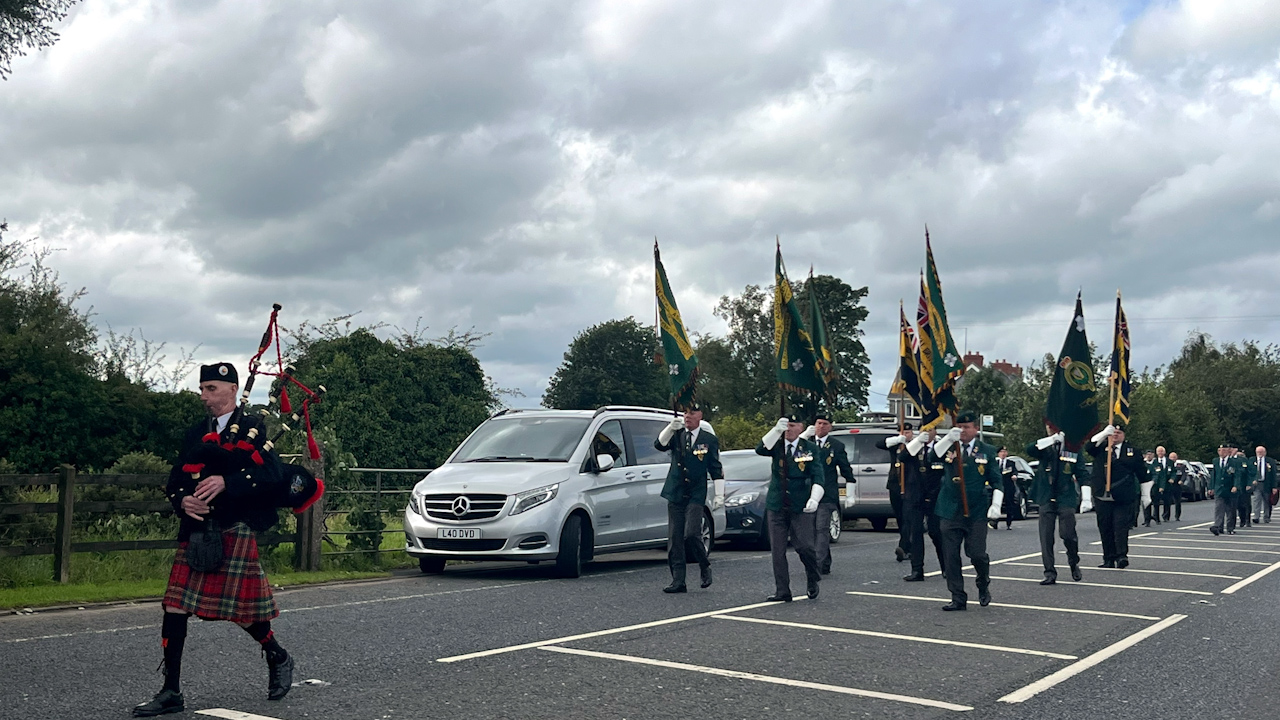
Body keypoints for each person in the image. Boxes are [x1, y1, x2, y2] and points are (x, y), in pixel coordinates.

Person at [133, 364, 294, 717]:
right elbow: (177, 477)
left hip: (234, 526)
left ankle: (276, 653)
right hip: (196, 528)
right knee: (175, 605)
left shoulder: (255, 427)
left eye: (211, 388)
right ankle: (171, 690)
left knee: (242, 613)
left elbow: (271, 474)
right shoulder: (195, 432)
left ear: (233, 389)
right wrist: (183, 500)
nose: (204, 396)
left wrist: (227, 482)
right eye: (202, 389)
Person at [931, 411, 1002, 611]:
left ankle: (983, 581)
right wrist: (947, 439)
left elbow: (997, 480)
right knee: (951, 556)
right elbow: (931, 457)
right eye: (960, 427)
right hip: (950, 509)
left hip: (976, 510)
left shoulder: (986, 450)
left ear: (976, 429)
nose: (962, 430)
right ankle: (958, 597)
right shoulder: (948, 447)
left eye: (967, 427)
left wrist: (995, 504)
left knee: (977, 553)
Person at [755, 413, 825, 601]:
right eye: (787, 425)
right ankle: (782, 590)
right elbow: (760, 449)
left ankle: (812, 576)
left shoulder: (809, 448)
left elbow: (818, 474)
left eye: (793, 425)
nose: (789, 429)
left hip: (800, 504)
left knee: (805, 547)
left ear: (801, 428)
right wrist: (776, 429)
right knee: (777, 550)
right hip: (777, 503)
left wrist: (815, 498)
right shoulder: (776, 445)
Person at [654, 403, 723, 593]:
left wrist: (719, 494)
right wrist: (670, 428)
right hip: (676, 491)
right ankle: (678, 580)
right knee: (675, 538)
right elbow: (659, 445)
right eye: (685, 413)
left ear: (700, 415)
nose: (687, 416)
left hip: (695, 492)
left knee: (692, 533)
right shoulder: (678, 435)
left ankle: (704, 564)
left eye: (692, 413)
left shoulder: (708, 439)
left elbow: (715, 467)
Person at [1086, 424, 1146, 569]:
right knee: (1105, 526)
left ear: (1124, 435)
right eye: (1113, 433)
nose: (1115, 435)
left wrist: (1146, 494)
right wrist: (1103, 434)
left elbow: (1142, 474)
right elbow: (1089, 447)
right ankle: (1108, 558)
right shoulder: (1101, 448)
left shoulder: (1132, 451)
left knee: (1120, 526)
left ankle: (1121, 556)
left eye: (1118, 433)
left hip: (1123, 495)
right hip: (1102, 495)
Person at [1026, 430, 1082, 584]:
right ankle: (1049, 572)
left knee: (1068, 534)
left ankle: (1073, 560)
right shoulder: (1045, 446)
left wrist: (1086, 496)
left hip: (1065, 496)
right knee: (1046, 536)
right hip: (1046, 496)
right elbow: (1029, 450)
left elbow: (1082, 472)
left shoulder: (1074, 448)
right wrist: (1049, 440)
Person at [878, 424, 932, 581]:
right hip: (895, 485)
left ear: (912, 433)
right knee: (901, 518)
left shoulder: (915, 446)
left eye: (907, 432)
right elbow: (879, 444)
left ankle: (904, 547)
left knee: (910, 520)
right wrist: (896, 439)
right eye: (902, 432)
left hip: (910, 487)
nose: (905, 434)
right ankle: (905, 545)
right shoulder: (895, 445)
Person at [803, 412, 853, 575]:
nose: (821, 426)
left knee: (821, 528)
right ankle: (825, 562)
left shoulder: (836, 446)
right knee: (811, 530)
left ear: (830, 426)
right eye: (818, 423)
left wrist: (850, 489)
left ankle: (817, 564)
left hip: (827, 493)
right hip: (808, 494)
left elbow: (845, 468)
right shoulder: (806, 444)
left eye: (825, 423)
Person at [1209, 443, 1246, 536]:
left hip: (1230, 489)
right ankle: (1217, 527)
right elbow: (1213, 475)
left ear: (1228, 451)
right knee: (1219, 509)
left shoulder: (1234, 462)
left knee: (1231, 510)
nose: (1223, 452)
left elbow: (1237, 475)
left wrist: (1236, 486)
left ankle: (1230, 528)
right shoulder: (1216, 461)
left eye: (1225, 450)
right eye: (1221, 450)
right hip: (1219, 489)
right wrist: (1211, 487)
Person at [1144, 447, 1172, 527]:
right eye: (1147, 455)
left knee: (1156, 504)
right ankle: (1147, 520)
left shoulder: (1157, 464)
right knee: (1146, 504)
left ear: (1153, 455)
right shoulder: (1143, 464)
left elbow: (1162, 477)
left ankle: (1157, 518)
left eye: (1150, 454)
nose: (1149, 456)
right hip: (1146, 487)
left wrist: (1161, 486)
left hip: (1155, 487)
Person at [992, 447, 1017, 530]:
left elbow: (1014, 471)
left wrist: (1014, 475)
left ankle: (1009, 523)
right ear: (998, 453)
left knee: (1009, 504)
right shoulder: (994, 462)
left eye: (1005, 451)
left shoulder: (1011, 463)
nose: (1003, 453)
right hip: (997, 487)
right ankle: (994, 522)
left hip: (1008, 486)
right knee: (996, 504)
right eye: (1001, 452)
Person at [1249, 446, 1274, 525]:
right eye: (1258, 452)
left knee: (1267, 501)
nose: (1260, 454)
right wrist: (1251, 481)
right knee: (1257, 500)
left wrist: (1274, 486)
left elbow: (1273, 475)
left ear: (1265, 452)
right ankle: (1256, 517)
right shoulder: (1252, 460)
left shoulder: (1270, 461)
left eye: (1261, 452)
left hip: (1266, 484)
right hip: (1257, 484)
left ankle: (1266, 517)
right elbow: (1249, 473)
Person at [1234, 445, 1255, 528]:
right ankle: (1242, 520)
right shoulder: (1233, 461)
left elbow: (1250, 473)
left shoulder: (1246, 461)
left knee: (1246, 504)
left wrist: (1249, 484)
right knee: (1239, 505)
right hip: (1237, 486)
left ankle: (1247, 520)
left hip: (1245, 486)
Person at [1165, 452, 1185, 522]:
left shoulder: (1181, 466)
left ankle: (1177, 516)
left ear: (1176, 458)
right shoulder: (1167, 465)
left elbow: (1184, 475)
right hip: (1169, 485)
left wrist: (1182, 481)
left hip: (1177, 485)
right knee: (1168, 501)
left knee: (1178, 502)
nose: (1172, 459)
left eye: (1174, 457)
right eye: (1171, 457)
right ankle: (1166, 516)